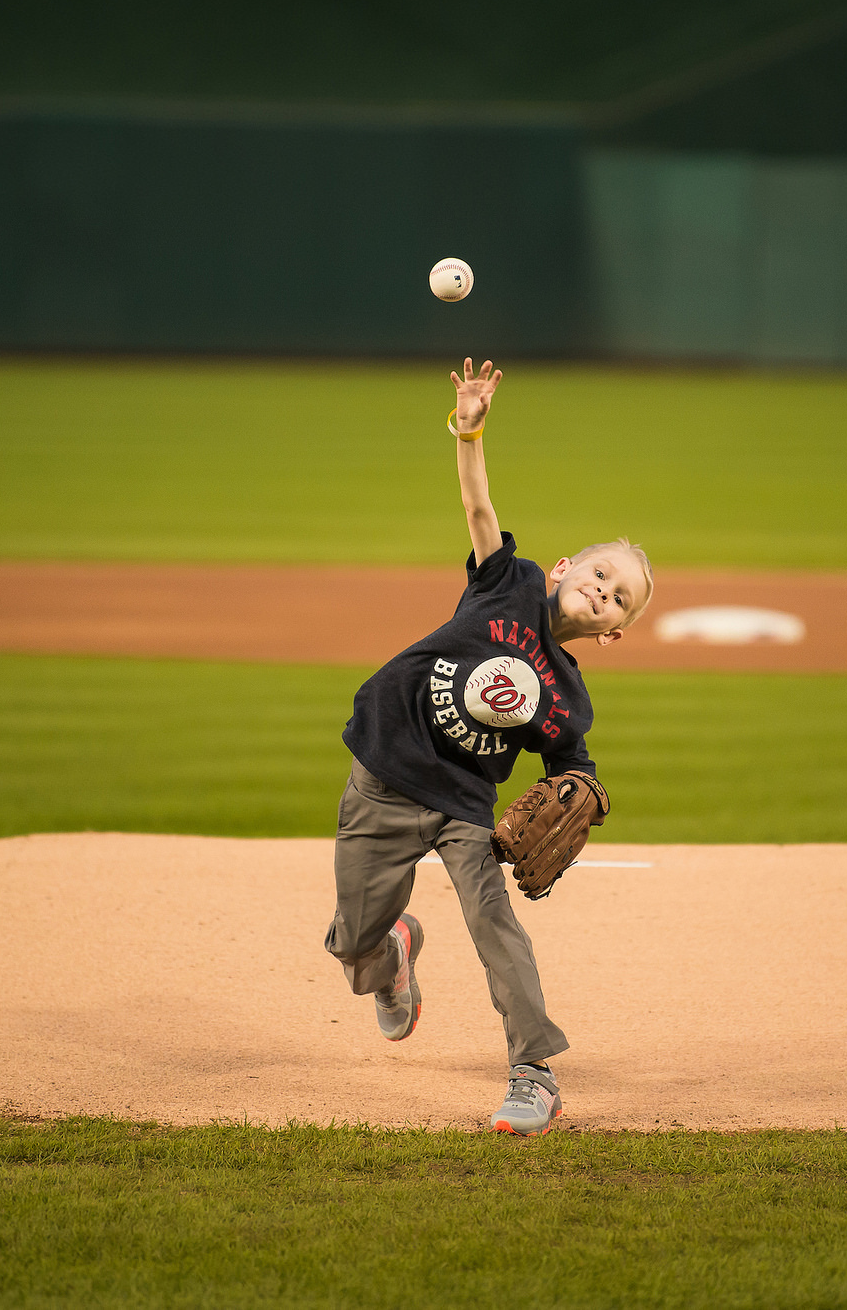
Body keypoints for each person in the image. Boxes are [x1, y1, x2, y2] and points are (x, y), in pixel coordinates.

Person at [324, 357, 654, 1136]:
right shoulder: (511, 580)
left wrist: (583, 795)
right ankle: (394, 952)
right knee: (356, 948)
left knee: (495, 921)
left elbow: (575, 771)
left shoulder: (569, 700)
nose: (606, 588)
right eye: (602, 571)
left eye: (622, 598)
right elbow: (477, 504)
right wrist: (469, 427)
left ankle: (534, 1073)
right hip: (386, 763)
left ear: (611, 631)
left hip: (462, 805)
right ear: (567, 567)